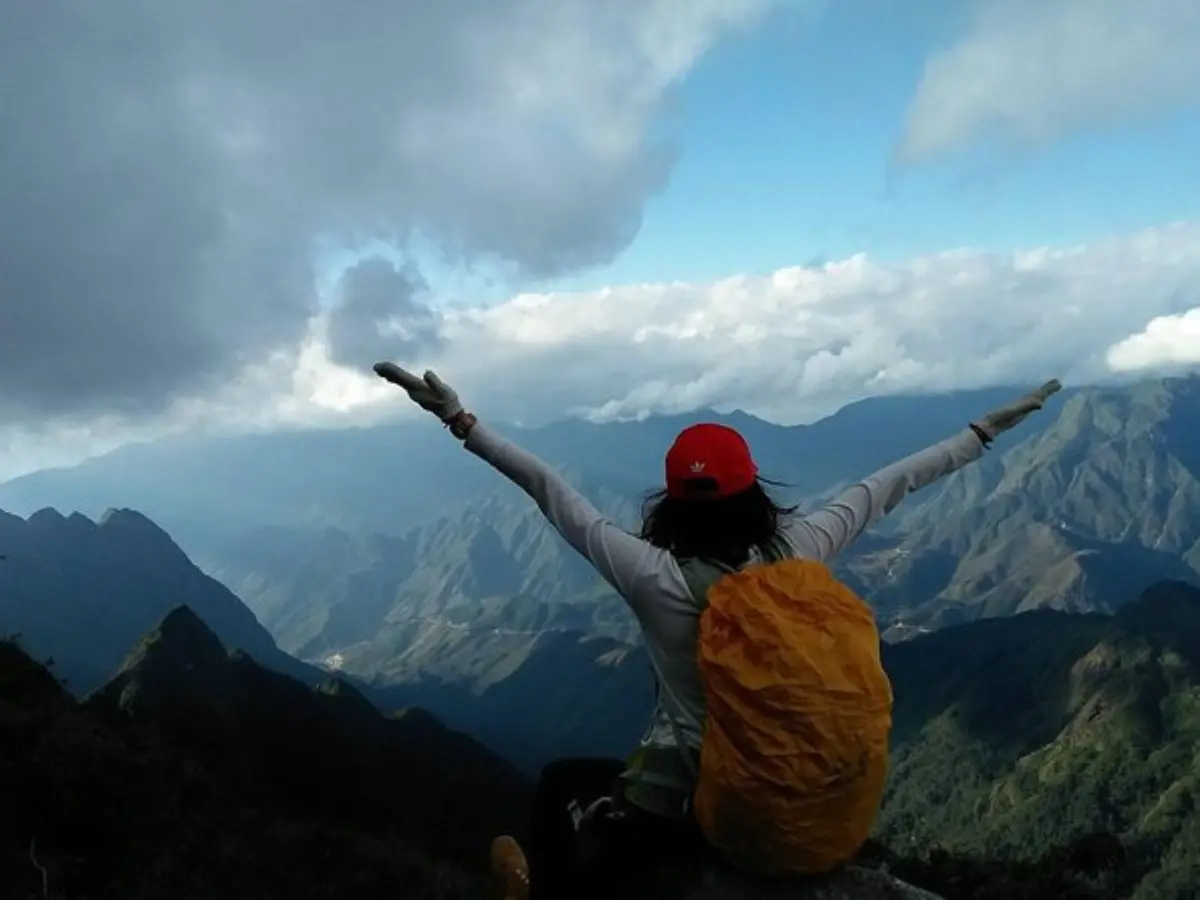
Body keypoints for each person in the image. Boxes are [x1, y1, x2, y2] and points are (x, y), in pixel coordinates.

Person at [372, 361, 1062, 900]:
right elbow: (888, 485)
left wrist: (461, 421)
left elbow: (550, 490)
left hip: (706, 817)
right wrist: (981, 434)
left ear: (669, 502)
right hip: (803, 809)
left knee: (561, 786)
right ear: (754, 491)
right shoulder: (800, 549)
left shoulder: (651, 576)